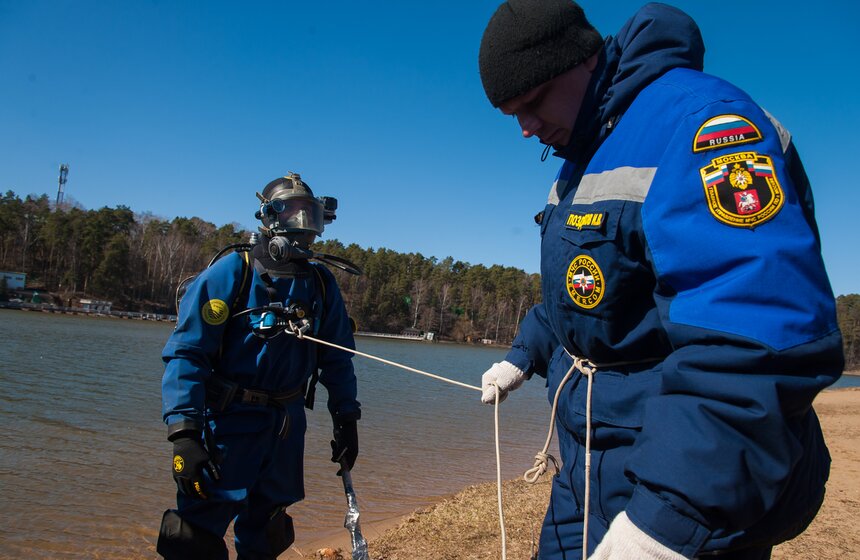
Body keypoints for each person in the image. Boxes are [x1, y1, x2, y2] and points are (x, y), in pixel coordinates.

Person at [477, 2, 844, 559]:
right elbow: (581, 295)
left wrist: (664, 524)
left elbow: (753, 346)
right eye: (511, 115)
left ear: (585, 59)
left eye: (532, 103)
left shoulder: (704, 125)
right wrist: (522, 356)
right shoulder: (575, 165)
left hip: (676, 468)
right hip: (585, 468)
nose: (526, 128)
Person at [157, 173, 361, 560]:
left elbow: (338, 358)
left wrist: (346, 418)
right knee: (194, 536)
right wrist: (183, 433)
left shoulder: (320, 284)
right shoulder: (233, 272)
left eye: (310, 214)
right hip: (228, 424)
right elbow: (187, 354)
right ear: (269, 218)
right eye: (292, 212)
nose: (303, 226)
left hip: (284, 428)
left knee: (267, 530)